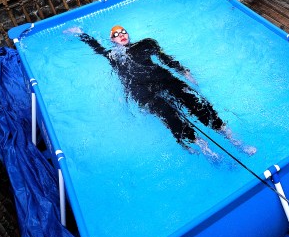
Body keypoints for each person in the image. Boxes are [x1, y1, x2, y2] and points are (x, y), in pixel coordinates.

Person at [66, 24, 255, 160]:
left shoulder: (145, 44)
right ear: (112, 40)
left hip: (163, 79)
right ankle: (206, 150)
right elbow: (96, 47)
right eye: (116, 34)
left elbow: (165, 58)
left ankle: (235, 141)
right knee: (171, 117)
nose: (121, 34)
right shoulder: (113, 56)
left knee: (198, 105)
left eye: (123, 31)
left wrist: (184, 71)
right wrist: (81, 34)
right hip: (142, 92)